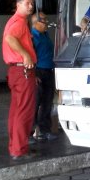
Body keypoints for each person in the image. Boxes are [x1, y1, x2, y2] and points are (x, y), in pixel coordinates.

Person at [3, 0, 37, 160]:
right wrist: (26, 55)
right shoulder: (19, 22)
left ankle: (14, 147)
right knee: (25, 111)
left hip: (15, 71)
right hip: (22, 70)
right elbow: (10, 38)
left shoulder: (13, 21)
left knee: (16, 110)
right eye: (27, 3)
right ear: (18, 4)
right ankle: (19, 150)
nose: (31, 6)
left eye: (32, 3)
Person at [31, 11, 58, 141]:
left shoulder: (45, 34)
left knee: (47, 102)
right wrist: (33, 74)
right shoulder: (32, 36)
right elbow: (30, 57)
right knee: (34, 104)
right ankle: (30, 133)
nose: (47, 22)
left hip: (48, 71)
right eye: (44, 20)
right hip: (38, 72)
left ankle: (45, 130)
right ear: (36, 22)